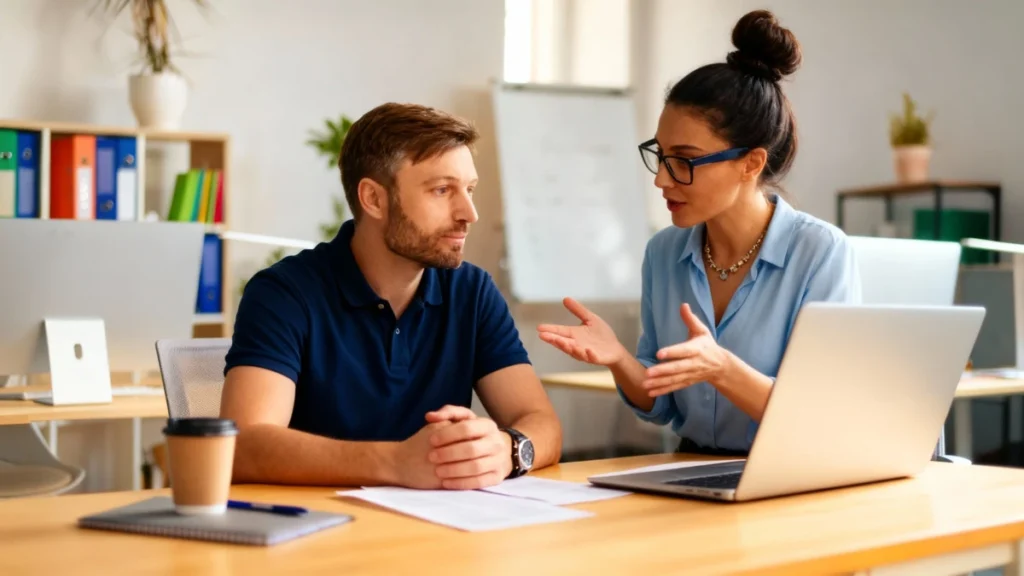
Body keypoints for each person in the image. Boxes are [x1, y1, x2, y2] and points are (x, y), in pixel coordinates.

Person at [537, 10, 860, 456]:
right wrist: (620, 360)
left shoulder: (819, 252)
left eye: (685, 160)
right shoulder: (664, 252)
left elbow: (818, 416)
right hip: (690, 468)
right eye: (661, 154)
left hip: (786, 475)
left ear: (751, 163)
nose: (662, 180)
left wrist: (721, 368)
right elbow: (662, 404)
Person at [220, 102, 561, 489]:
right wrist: (397, 462)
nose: (469, 212)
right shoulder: (284, 294)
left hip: (439, 532)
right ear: (374, 199)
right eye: (442, 190)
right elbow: (244, 445)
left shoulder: (473, 292)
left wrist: (507, 449)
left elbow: (541, 421)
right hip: (316, 534)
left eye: (469, 190)